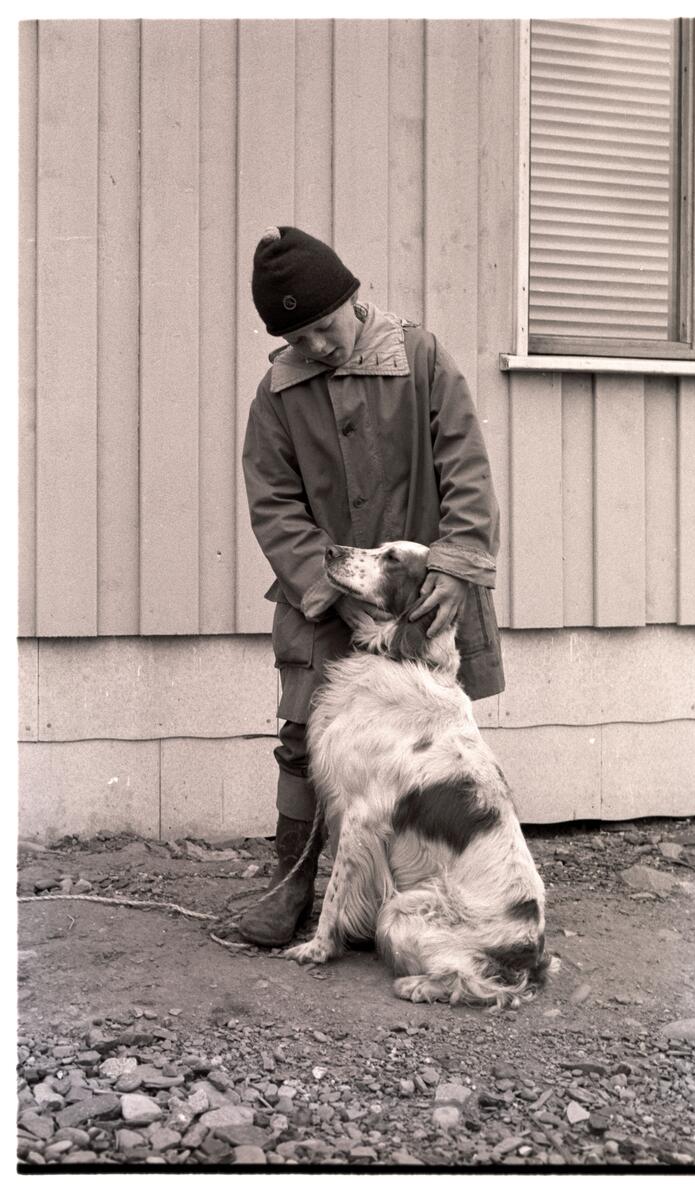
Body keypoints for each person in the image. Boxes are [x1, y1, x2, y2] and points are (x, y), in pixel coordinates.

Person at [239, 225, 504, 946]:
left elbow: (466, 467)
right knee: (303, 740)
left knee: (424, 749)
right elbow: (273, 502)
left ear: (354, 301)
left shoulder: (421, 358)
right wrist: (323, 584)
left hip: (420, 594)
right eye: (299, 338)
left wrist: (454, 564)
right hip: (322, 598)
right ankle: (290, 890)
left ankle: (438, 897)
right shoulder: (276, 396)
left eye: (324, 327)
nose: (317, 347)